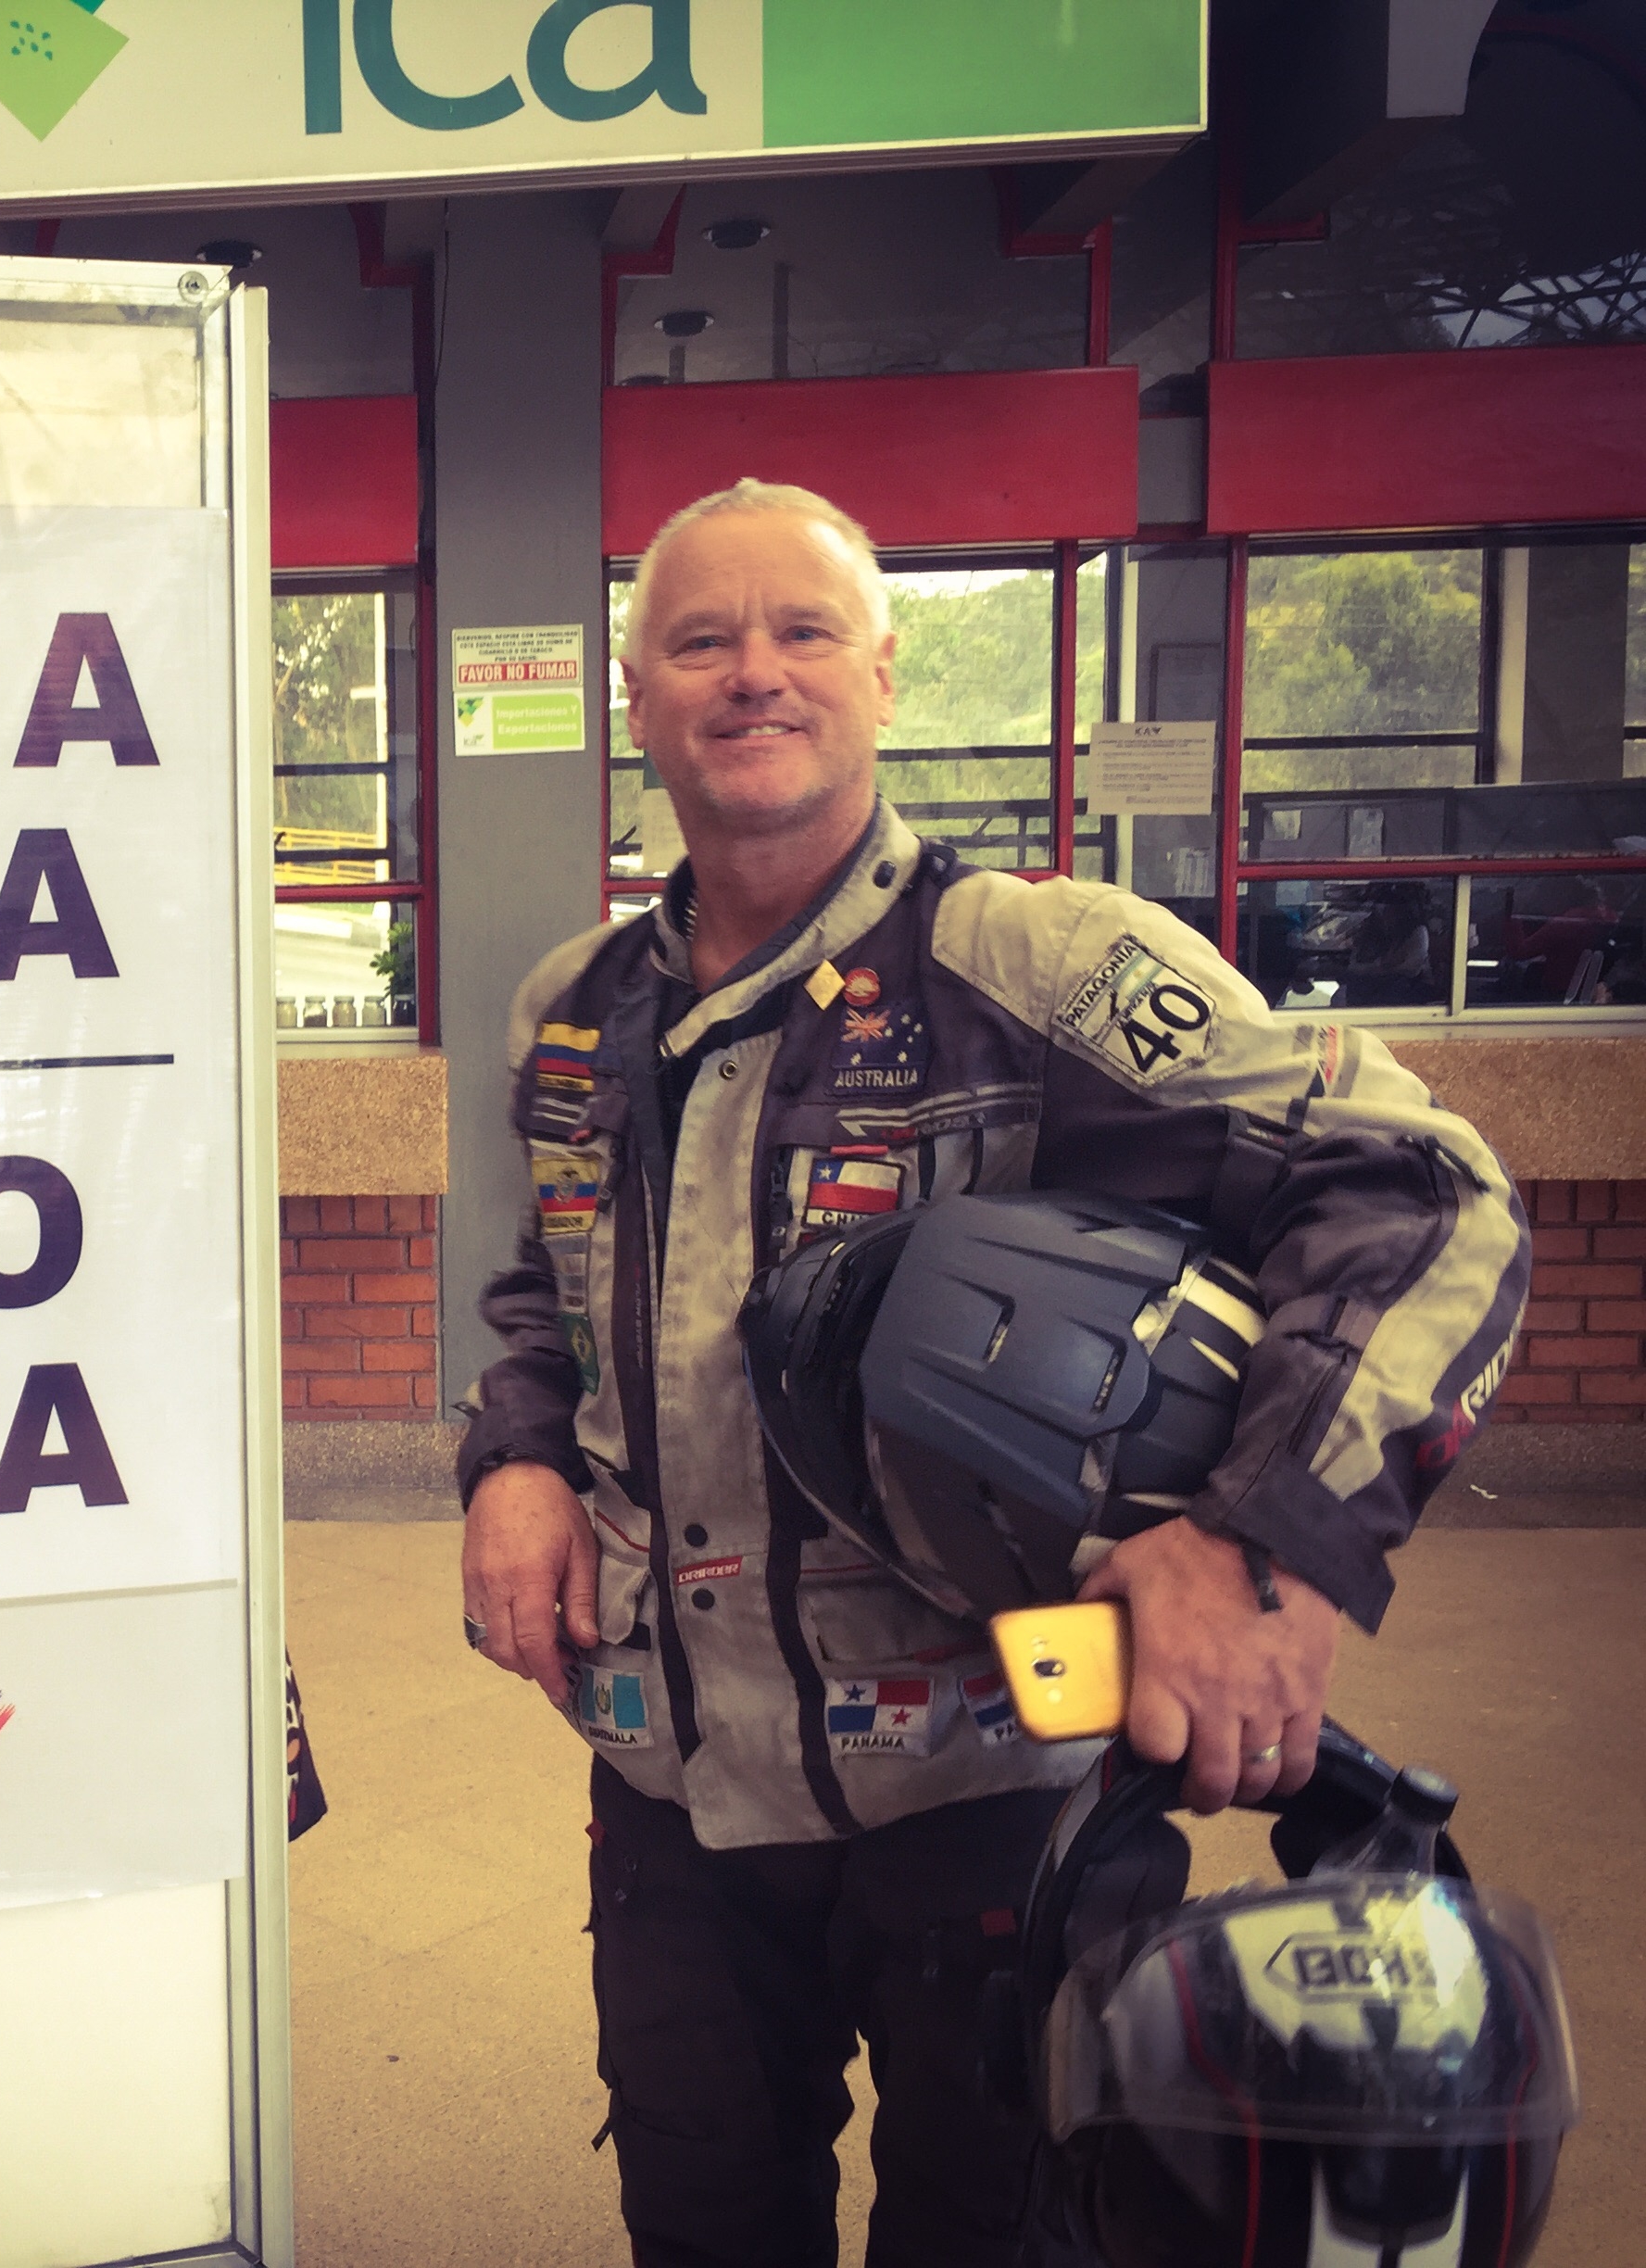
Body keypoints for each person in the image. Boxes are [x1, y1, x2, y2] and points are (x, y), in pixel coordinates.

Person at [455, 480, 1529, 2268]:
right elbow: (535, 1287)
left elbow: (1427, 1192)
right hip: (672, 1793)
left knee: (1004, 2236)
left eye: (803, 631)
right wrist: (515, 1457)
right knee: (705, 2234)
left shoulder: (1042, 966)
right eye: (701, 640)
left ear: (883, 675)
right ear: (637, 696)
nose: (753, 672)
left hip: (1001, 1798)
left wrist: (1262, 1547)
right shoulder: (574, 1010)